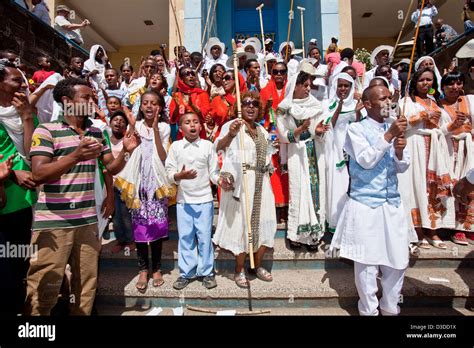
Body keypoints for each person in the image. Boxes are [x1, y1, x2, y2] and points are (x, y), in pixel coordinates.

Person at [25, 78, 140, 315]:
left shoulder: (97, 131)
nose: (92, 101)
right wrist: (75, 156)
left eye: (92, 97)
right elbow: (38, 174)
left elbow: (110, 168)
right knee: (43, 291)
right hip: (54, 225)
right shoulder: (46, 130)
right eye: (86, 97)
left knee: (85, 289)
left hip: (88, 223)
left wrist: (126, 153)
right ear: (67, 101)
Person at [330, 85, 416, 316]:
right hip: (365, 204)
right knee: (366, 264)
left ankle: (390, 307)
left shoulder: (393, 126)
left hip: (391, 203)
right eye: (383, 98)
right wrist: (388, 137)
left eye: (390, 97)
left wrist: (399, 150)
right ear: (367, 104)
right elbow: (366, 160)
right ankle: (369, 310)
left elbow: (403, 166)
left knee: (397, 260)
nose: (389, 102)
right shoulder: (356, 129)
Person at [214, 91, 277, 288]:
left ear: (259, 109)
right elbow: (218, 148)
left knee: (266, 223)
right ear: (240, 108)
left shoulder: (262, 130)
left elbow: (267, 155)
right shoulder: (232, 126)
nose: (250, 106)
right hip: (242, 183)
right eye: (247, 103)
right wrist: (231, 134)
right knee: (242, 227)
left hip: (262, 182)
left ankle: (256, 266)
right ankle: (239, 269)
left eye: (254, 104)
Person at [115, 91, 175, 293]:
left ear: (160, 107)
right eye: (145, 103)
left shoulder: (165, 127)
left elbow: (163, 156)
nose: (149, 106)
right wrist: (132, 126)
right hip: (139, 183)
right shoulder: (137, 126)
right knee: (140, 230)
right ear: (140, 107)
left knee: (157, 229)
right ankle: (142, 269)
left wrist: (156, 130)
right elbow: (129, 149)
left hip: (156, 185)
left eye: (154, 103)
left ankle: (156, 268)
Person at [398, 68, 455, 251]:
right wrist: (422, 116)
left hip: (434, 146)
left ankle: (432, 230)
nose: (426, 83)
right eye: (422, 80)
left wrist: (453, 125)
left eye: (429, 80)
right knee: (416, 187)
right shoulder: (406, 102)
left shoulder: (434, 102)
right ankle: (418, 231)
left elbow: (444, 128)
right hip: (414, 145)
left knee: (431, 188)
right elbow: (401, 124)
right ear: (415, 82)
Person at [166, 113, 219, 290]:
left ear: (201, 126)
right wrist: (179, 176)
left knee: (204, 236)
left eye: (196, 121)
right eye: (187, 123)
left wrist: (222, 181)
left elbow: (213, 173)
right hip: (183, 201)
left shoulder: (208, 146)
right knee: (186, 237)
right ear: (180, 129)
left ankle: (207, 272)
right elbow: (169, 172)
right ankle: (186, 272)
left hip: (204, 199)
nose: (192, 125)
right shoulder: (175, 147)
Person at [276, 71, 329, 251]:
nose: (308, 89)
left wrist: (319, 131)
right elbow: (283, 136)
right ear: (295, 86)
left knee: (315, 191)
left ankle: (314, 236)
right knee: (299, 191)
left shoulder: (315, 105)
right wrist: (301, 129)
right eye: (305, 85)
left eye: (309, 86)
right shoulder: (285, 107)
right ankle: (296, 235)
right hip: (296, 153)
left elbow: (317, 130)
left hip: (314, 152)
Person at [0, 59, 37, 315]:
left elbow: (29, 151)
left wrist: (26, 117)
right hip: (3, 196)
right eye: (16, 80)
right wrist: (12, 173)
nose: (22, 85)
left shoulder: (23, 110)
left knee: (18, 263)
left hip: (20, 201)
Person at [440, 72, 473, 244]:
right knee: (454, 184)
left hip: (468, 147)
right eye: (450, 84)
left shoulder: (470, 101)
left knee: (469, 184)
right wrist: (453, 126)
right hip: (449, 148)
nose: (455, 88)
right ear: (443, 87)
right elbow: (439, 130)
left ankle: (467, 226)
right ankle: (453, 227)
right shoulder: (438, 105)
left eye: (458, 83)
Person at [324, 73, 359, 235]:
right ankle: (335, 223)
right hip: (334, 150)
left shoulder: (358, 105)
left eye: (347, 86)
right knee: (338, 186)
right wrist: (339, 106)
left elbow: (361, 126)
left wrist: (357, 112)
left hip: (353, 152)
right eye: (340, 85)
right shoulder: (328, 104)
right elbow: (328, 125)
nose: (343, 89)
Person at [261, 62, 290, 222]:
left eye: (282, 71)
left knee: (286, 170)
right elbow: (259, 114)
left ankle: (287, 206)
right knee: (274, 171)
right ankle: (276, 207)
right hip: (271, 135)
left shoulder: (290, 90)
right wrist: (267, 106)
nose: (279, 74)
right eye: (276, 71)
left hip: (288, 135)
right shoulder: (265, 91)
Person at [170, 67, 210, 140]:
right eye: (187, 74)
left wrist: (192, 106)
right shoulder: (176, 96)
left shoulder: (202, 94)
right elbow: (173, 119)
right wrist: (177, 107)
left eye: (193, 74)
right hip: (182, 136)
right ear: (181, 79)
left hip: (199, 135)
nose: (191, 76)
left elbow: (204, 117)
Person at [208, 69, 246, 141]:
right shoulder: (217, 100)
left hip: (242, 136)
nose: (224, 81)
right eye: (222, 79)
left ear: (236, 80)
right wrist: (210, 121)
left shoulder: (245, 99)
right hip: (223, 136)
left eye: (227, 78)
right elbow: (211, 125)